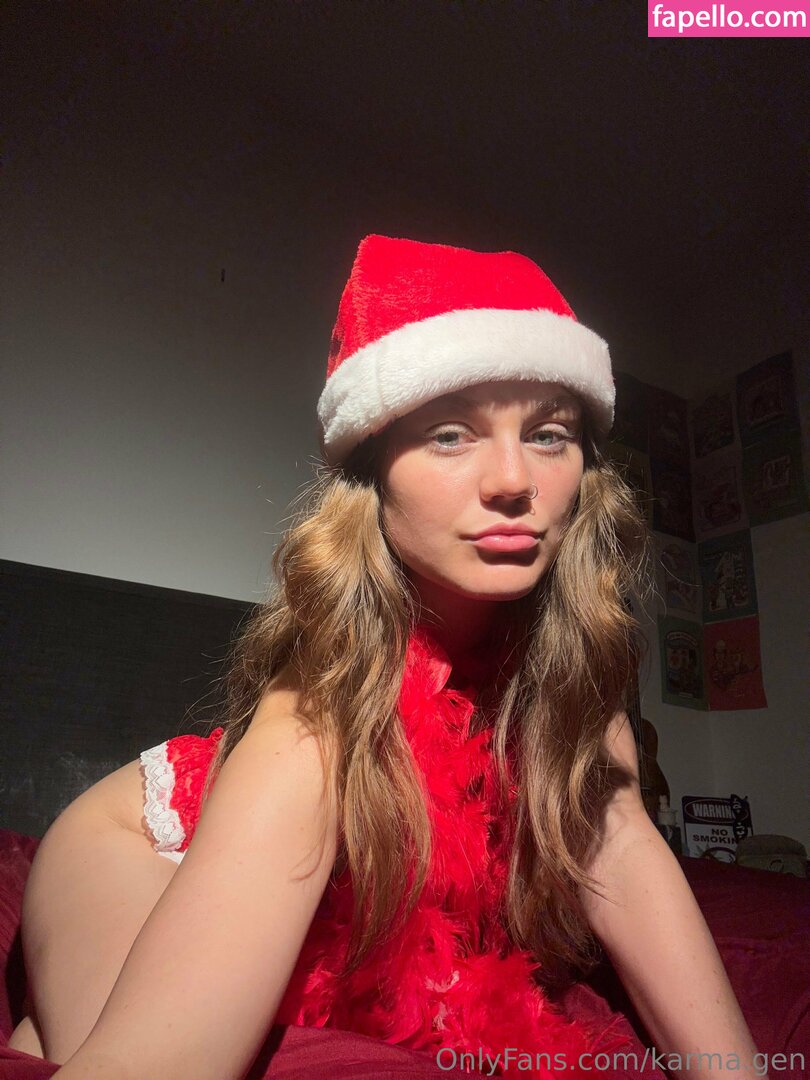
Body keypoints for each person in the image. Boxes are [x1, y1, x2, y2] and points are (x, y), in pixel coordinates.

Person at [9, 234, 766, 1079]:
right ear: (374, 478)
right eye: (450, 434)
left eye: (549, 434)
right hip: (139, 843)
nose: (513, 478)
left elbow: (622, 853)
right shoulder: (316, 720)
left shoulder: (577, 703)